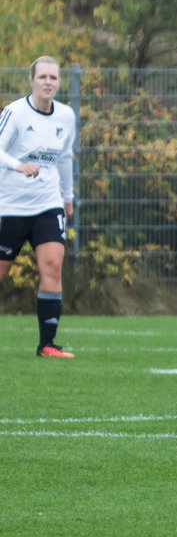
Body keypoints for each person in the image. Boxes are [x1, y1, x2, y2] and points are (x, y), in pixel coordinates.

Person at [0, 56, 79, 358]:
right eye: (43, 77)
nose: (48, 82)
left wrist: (67, 198)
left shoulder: (66, 116)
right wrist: (18, 166)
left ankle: (47, 344)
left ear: (59, 83)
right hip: (10, 207)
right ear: (31, 80)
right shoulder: (15, 113)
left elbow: (63, 158)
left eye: (54, 78)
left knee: (53, 264)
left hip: (48, 203)